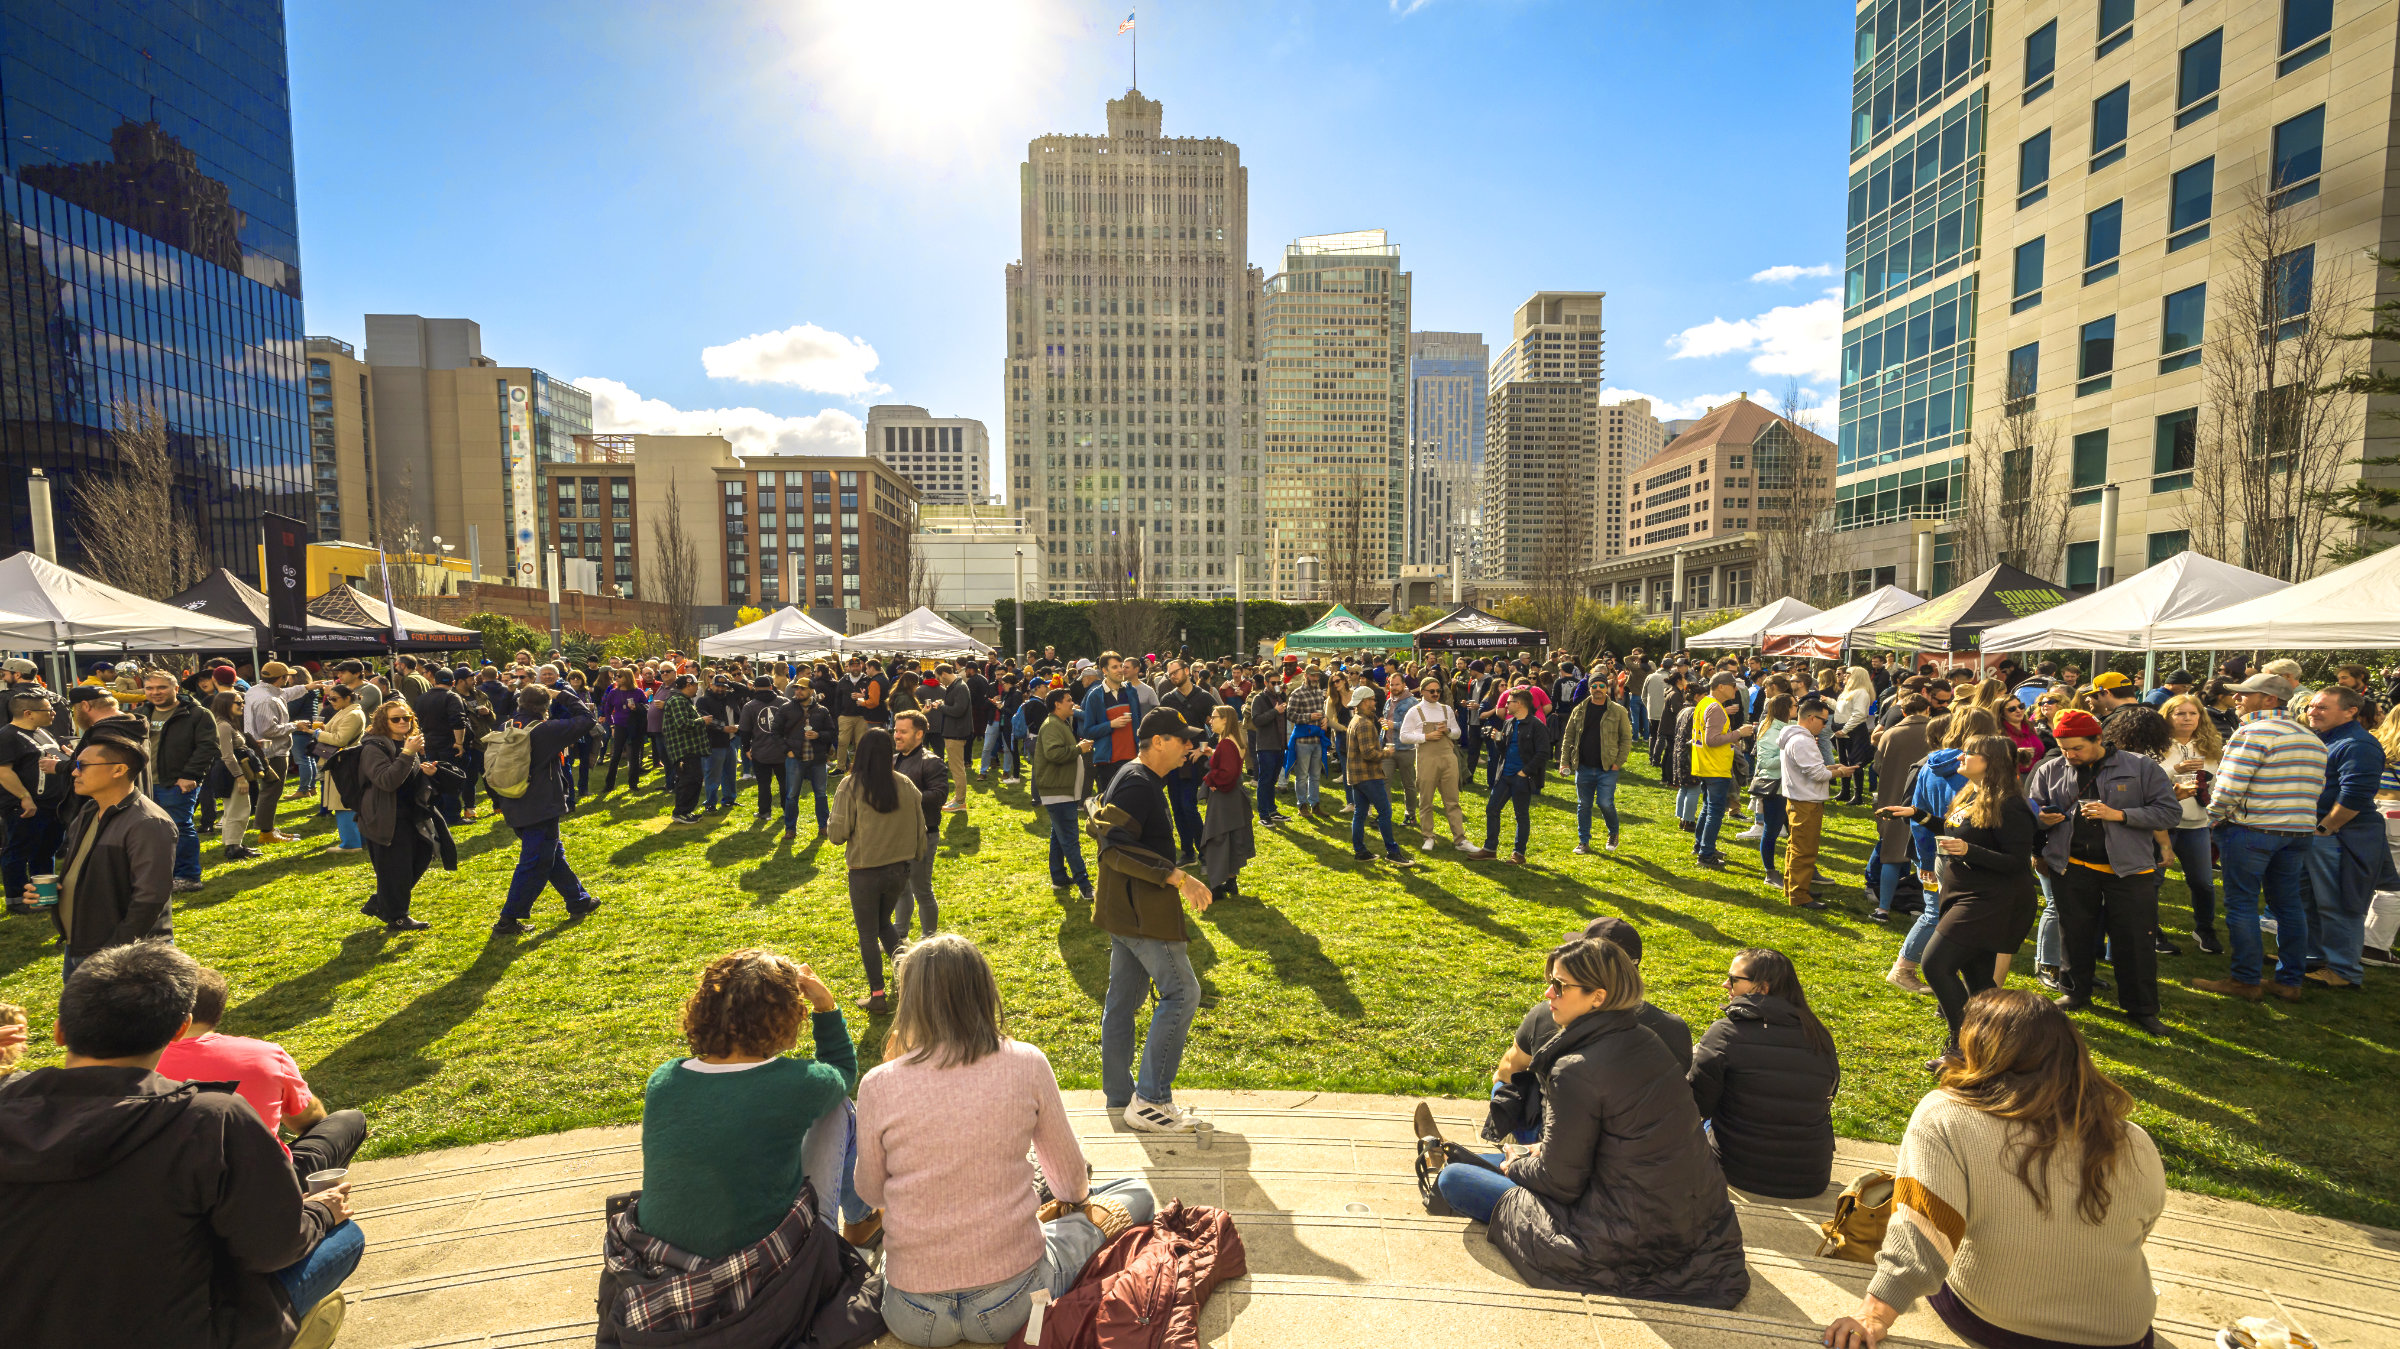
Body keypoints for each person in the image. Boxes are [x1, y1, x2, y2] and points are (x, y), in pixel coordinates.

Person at [0, 942, 363, 1349]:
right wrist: (319, 1212)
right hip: (186, 1333)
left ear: (59, 1030)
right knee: (346, 1236)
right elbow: (272, 1249)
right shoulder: (212, 1117)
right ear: (178, 1029)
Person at [856, 934, 1157, 1346]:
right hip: (1012, 1303)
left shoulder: (878, 1083)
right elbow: (1072, 1185)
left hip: (912, 1314)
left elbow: (871, 1191)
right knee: (1135, 1192)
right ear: (983, 990)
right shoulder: (1026, 1062)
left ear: (910, 1000)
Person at [1822, 990, 2164, 1349]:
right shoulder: (2132, 1137)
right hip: (2126, 1335)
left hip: (2000, 1325)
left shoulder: (1943, 1114)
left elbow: (1922, 1236)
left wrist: (1873, 1315)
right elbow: (2140, 1228)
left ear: (1979, 1047)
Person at [1431, 937, 1750, 1308]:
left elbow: (1561, 1182)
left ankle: (1450, 1165)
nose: (1549, 993)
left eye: (1560, 986)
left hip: (1620, 1237)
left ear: (1597, 997)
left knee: (1455, 1179)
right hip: (1687, 1224)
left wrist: (1521, 1164)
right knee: (1494, 1162)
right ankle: (1463, 1158)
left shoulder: (1575, 1069)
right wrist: (1534, 1153)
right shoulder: (1646, 1040)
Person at [636, 949, 865, 1255]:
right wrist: (826, 1006)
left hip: (659, 1270)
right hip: (763, 1276)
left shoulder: (663, 1080)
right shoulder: (796, 1084)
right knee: (839, 1107)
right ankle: (862, 1221)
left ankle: (864, 1220)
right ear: (787, 1016)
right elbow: (843, 1069)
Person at [1089, 709, 1218, 1132]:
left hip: (1124, 911)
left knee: (1122, 1003)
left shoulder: (1136, 778)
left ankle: (1121, 1100)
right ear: (1158, 742)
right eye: (1182, 740)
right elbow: (1115, 849)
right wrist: (1178, 877)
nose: (1190, 747)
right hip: (1141, 914)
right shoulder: (1138, 785)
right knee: (1182, 994)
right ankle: (1150, 1103)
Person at [2025, 709, 2179, 1035]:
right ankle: (2075, 991)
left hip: (2130, 869)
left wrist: (2119, 815)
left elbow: (2168, 812)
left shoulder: (2140, 766)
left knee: (2135, 940)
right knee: (2074, 934)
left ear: (2099, 740)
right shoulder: (2050, 769)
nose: (2070, 755)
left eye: (2077, 748)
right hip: (2072, 867)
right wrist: (2043, 820)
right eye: (2064, 748)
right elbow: (2032, 811)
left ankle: (2141, 1009)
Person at [157, 965, 369, 1184]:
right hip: (264, 1185)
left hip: (171, 1188)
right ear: (218, 1012)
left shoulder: (139, 1061)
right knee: (350, 1120)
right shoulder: (266, 1054)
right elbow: (307, 1120)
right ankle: (318, 1203)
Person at [2188, 673, 2328, 1004]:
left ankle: (2245, 979)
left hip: (2253, 831)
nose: (2236, 699)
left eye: (2244, 694)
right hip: (2296, 832)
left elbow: (2229, 787)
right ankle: (2289, 980)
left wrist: (2212, 819)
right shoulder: (2310, 737)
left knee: (2243, 905)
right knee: (2288, 906)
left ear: (2268, 700)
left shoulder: (2252, 733)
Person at [1920, 735, 2043, 1062]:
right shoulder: (1971, 793)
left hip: (1992, 900)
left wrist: (1969, 851)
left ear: (1991, 762)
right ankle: (1996, 1044)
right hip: (1965, 892)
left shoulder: (2011, 804)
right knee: (1979, 982)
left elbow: (2017, 861)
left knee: (1935, 965)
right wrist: (1919, 816)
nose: (1962, 756)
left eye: (1970, 752)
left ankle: (1963, 1046)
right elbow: (1962, 833)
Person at [1687, 948, 1840, 1199]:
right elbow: (1829, 1096)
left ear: (1762, 988)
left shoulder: (1725, 1033)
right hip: (1810, 1177)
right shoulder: (1819, 1034)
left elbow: (1697, 1105)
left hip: (1739, 1171)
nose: (1725, 983)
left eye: (1733, 979)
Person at [23, 737, 176, 978]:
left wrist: (111, 953)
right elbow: (94, 874)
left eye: (82, 765)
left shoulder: (148, 823)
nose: (74, 772)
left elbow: (150, 898)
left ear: (118, 770)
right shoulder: (89, 810)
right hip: (82, 945)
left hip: (123, 958)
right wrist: (56, 894)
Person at [489, 686, 602, 935]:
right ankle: (507, 919)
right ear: (545, 708)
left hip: (512, 800)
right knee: (534, 861)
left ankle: (578, 899)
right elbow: (587, 719)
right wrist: (561, 694)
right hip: (540, 806)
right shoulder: (545, 730)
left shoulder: (506, 726)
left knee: (551, 853)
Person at [828, 726, 922, 1015]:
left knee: (868, 932)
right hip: (899, 869)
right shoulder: (904, 783)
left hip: (865, 871)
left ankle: (878, 995)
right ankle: (913, 982)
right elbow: (920, 826)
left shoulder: (851, 785)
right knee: (884, 923)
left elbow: (837, 834)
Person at [2300, 684, 2386, 991]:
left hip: (2339, 836)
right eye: (2311, 705)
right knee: (2309, 900)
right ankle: (2314, 956)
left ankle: (2344, 970)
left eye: (2322, 707)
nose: (2312, 711)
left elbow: (2356, 794)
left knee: (2339, 903)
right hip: (2321, 833)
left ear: (2351, 711)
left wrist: (2325, 828)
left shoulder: (2358, 744)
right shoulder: (2328, 738)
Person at [357, 699, 446, 933]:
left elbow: (407, 778)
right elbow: (387, 781)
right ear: (383, 722)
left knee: (423, 855)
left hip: (411, 813)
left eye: (406, 718)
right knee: (395, 868)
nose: (402, 722)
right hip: (386, 817)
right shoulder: (373, 747)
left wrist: (427, 773)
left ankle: (382, 902)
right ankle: (397, 917)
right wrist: (408, 754)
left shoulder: (407, 743)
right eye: (395, 719)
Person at [140, 669, 217, 894]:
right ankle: (159, 874)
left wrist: (191, 775)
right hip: (143, 784)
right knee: (149, 832)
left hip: (176, 783)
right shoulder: (141, 713)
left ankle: (188, 876)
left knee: (179, 828)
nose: (155, 692)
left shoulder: (196, 714)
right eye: (150, 688)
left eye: (161, 687)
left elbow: (208, 746)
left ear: (175, 689)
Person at [1778, 698, 1854, 909]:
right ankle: (1799, 895)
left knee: (1796, 847)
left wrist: (1832, 768)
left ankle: (1793, 887)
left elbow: (1811, 770)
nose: (1825, 725)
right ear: (1811, 718)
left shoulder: (1795, 737)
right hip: (1806, 802)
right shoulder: (1802, 740)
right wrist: (1839, 771)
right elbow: (1816, 774)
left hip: (1799, 799)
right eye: (1823, 721)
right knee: (1804, 850)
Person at [0, 689, 70, 906]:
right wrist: (24, 797)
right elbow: (3, 771)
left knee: (45, 850)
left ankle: (43, 894)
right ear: (28, 713)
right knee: (18, 851)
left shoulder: (42, 732)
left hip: (52, 805)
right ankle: (17, 898)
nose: (53, 713)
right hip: (25, 806)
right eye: (48, 710)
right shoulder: (8, 736)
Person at [890, 710, 949, 949]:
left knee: (921, 888)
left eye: (903, 731)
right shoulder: (894, 759)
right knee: (900, 887)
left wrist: (903, 797)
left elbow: (939, 795)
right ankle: (899, 933)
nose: (897, 735)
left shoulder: (931, 761)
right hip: (897, 835)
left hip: (922, 834)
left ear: (919, 733)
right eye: (896, 730)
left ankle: (929, 940)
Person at [1689, 674, 1756, 869]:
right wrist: (1739, 734)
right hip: (1715, 767)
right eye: (1733, 686)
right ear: (1720, 687)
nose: (1736, 690)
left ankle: (1701, 846)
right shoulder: (1716, 708)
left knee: (1708, 808)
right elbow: (1712, 739)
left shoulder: (1705, 703)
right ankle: (1706, 854)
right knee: (1715, 811)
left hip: (1705, 764)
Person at [1557, 676, 1630, 855]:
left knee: (1605, 803)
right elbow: (1568, 737)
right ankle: (1583, 841)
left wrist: (1618, 763)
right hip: (1583, 766)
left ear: (1607, 688)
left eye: (1601, 686)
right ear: (1589, 688)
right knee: (1584, 805)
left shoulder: (1618, 711)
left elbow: (1626, 739)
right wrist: (1564, 761)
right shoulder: (1579, 710)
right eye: (1594, 686)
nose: (1598, 689)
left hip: (1607, 767)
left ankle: (1613, 833)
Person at [1033, 688, 1094, 896]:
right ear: (1057, 704)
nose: (1072, 703)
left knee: (1059, 837)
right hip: (1057, 791)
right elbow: (1053, 753)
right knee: (1069, 839)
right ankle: (1084, 885)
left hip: (1061, 790)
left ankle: (1059, 877)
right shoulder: (1052, 725)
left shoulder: (1060, 723)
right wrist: (1079, 749)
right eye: (1069, 700)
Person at [1345, 686, 1413, 865]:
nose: (1375, 703)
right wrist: (1385, 753)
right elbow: (1368, 753)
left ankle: (1360, 851)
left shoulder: (1356, 720)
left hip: (1356, 776)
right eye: (1373, 700)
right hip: (1368, 776)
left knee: (1359, 814)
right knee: (1385, 811)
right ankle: (1392, 851)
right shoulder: (1365, 724)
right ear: (1365, 702)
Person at [1480, 690, 1546, 863]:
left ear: (1520, 704)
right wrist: (1497, 740)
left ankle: (1519, 853)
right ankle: (1489, 849)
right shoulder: (1509, 723)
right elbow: (1503, 750)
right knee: (1492, 809)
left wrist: (1525, 772)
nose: (1505, 705)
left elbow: (1543, 753)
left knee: (1521, 815)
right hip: (1504, 775)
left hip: (1522, 778)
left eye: (1509, 702)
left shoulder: (1536, 725)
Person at [1201, 704, 1256, 902]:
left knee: (1218, 838)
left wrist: (1210, 780)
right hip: (1234, 797)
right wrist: (1213, 755)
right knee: (1232, 838)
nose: (1211, 720)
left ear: (1225, 719)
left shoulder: (1226, 743)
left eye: (1214, 717)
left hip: (1225, 798)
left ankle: (1216, 887)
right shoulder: (1232, 740)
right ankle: (1230, 881)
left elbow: (1228, 773)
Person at [206, 692, 267, 862]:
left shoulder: (227, 723)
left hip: (230, 771)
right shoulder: (223, 725)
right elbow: (227, 755)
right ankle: (233, 847)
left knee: (234, 808)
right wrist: (240, 777)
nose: (242, 705)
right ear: (225, 705)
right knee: (238, 809)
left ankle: (233, 844)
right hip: (230, 772)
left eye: (242, 702)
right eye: (238, 703)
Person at [775, 678, 838, 841]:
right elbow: (775, 732)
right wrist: (786, 751)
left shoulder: (821, 710)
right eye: (796, 689)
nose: (798, 691)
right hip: (795, 758)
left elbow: (831, 732)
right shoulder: (786, 708)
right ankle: (790, 829)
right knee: (791, 795)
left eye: (802, 689)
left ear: (811, 691)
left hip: (817, 759)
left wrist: (819, 735)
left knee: (821, 795)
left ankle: (824, 826)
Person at [659, 674, 708, 824]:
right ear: (688, 686)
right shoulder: (677, 701)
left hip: (689, 747)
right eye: (695, 685)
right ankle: (680, 812)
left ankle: (687, 811)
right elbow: (682, 723)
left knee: (694, 779)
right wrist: (702, 721)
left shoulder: (682, 700)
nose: (697, 688)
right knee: (688, 780)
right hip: (683, 749)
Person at [1284, 668, 1329, 819]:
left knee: (1315, 776)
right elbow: (1290, 715)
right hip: (1302, 741)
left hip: (1317, 739)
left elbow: (1323, 712)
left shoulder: (1319, 693)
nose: (1315, 678)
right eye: (1313, 675)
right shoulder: (1297, 694)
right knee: (1302, 776)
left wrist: (1324, 720)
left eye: (1317, 675)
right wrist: (1309, 716)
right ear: (1306, 676)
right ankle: (1302, 805)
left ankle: (1315, 805)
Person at [929, 663, 974, 816]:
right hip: (954, 731)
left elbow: (958, 710)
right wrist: (943, 705)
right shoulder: (956, 685)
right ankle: (958, 798)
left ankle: (960, 801)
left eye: (938, 678)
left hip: (956, 732)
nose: (939, 682)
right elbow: (956, 707)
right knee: (956, 767)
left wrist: (940, 707)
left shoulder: (960, 686)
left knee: (957, 768)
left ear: (944, 674)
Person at [599, 668, 649, 794]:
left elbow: (647, 707)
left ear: (628, 677)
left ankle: (633, 784)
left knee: (634, 755)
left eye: (620, 676)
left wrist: (636, 707)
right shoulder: (614, 692)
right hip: (620, 726)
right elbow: (607, 710)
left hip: (635, 726)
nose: (617, 678)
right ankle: (609, 785)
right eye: (616, 676)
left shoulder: (638, 692)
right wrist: (612, 726)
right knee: (615, 755)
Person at [1247, 680, 1288, 826]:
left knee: (1272, 780)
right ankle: (1263, 814)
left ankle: (1273, 811)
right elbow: (1256, 720)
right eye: (1273, 682)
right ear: (1265, 683)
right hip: (1266, 746)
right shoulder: (1259, 699)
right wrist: (1275, 711)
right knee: (1264, 780)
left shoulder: (1280, 697)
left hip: (1280, 745)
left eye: (1279, 682)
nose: (1276, 685)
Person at [1832, 667, 1875, 805]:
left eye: (1848, 674)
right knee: (1843, 761)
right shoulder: (1848, 692)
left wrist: (1845, 730)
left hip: (1853, 731)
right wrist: (1827, 700)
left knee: (1855, 763)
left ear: (1857, 676)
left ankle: (1858, 795)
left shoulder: (1861, 692)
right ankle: (1845, 791)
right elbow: (1841, 709)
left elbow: (1859, 714)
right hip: (1843, 730)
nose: (1844, 676)